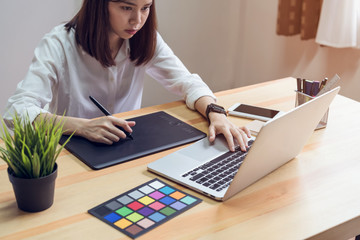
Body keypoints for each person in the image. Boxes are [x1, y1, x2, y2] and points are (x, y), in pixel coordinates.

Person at [3, 0, 250, 152]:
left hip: (127, 147)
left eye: (146, 7)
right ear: (100, 4)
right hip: (72, 152)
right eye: (126, 7)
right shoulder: (59, 43)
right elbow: (15, 112)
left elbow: (187, 82)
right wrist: (83, 127)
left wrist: (216, 114)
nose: (138, 20)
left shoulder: (144, 38)